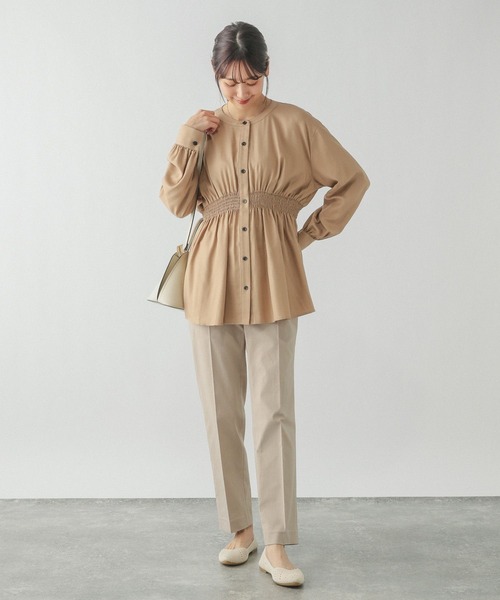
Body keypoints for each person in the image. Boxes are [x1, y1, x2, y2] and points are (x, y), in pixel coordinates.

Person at [159, 21, 370, 588]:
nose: (241, 92)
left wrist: (305, 235)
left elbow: (352, 180)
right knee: (220, 412)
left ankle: (275, 544)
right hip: (210, 282)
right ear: (215, 78)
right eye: (230, 82)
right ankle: (240, 531)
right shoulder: (203, 130)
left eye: (251, 80)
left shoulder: (296, 124)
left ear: (267, 70)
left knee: (274, 413)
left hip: (275, 281)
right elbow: (175, 203)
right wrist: (187, 136)